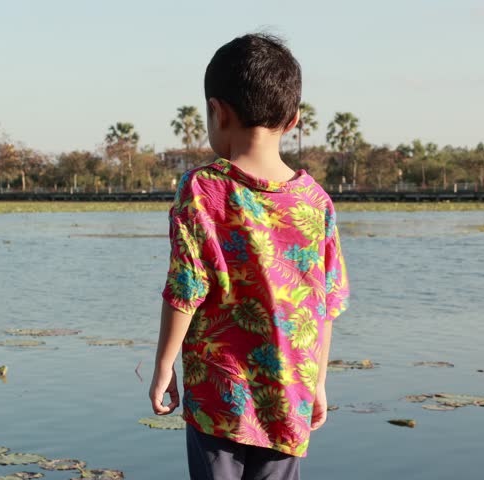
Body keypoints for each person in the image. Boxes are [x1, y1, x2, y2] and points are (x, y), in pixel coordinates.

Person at [149, 33, 350, 480]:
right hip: (289, 395)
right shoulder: (315, 202)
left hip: (220, 393)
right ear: (293, 120)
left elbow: (186, 287)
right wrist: (318, 382)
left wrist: (164, 364)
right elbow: (323, 305)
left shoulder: (203, 188)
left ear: (218, 112)